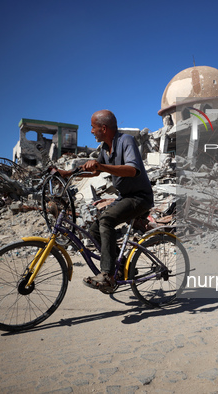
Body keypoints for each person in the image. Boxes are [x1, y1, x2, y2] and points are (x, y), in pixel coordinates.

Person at [57, 110, 154, 290]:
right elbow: (96, 170)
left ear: (103, 128)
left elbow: (132, 170)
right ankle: (121, 264)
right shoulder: (105, 148)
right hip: (124, 197)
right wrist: (67, 173)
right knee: (93, 231)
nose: (92, 131)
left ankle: (108, 274)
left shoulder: (126, 141)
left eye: (93, 128)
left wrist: (101, 166)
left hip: (140, 197)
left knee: (106, 220)